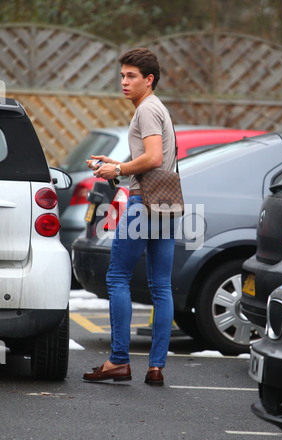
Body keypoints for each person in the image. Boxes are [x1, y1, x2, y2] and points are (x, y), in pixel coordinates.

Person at [83, 48, 177, 386]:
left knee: (117, 278)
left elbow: (153, 158)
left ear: (148, 79)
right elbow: (157, 161)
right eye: (122, 75)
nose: (124, 82)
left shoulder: (147, 110)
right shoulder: (158, 108)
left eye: (131, 76)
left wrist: (119, 168)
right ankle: (156, 367)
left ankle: (118, 361)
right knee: (161, 287)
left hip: (144, 203)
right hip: (167, 202)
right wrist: (116, 165)